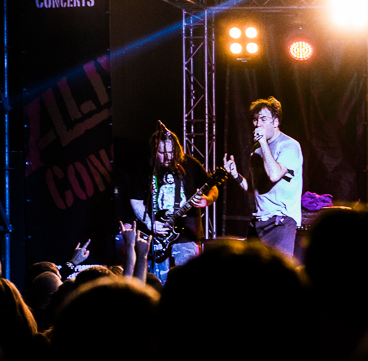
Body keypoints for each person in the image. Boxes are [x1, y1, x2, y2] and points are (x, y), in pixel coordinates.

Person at [130, 126, 218, 283]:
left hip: (187, 236)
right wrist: (150, 223)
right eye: (162, 153)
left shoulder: (190, 164)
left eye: (171, 152)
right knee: (157, 282)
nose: (168, 157)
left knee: (187, 282)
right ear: (154, 151)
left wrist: (208, 199)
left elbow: (213, 186)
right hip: (157, 238)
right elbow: (135, 199)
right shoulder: (146, 168)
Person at [224, 96, 303, 257]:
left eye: (263, 119)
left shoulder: (289, 145)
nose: (258, 124)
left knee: (277, 270)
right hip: (258, 222)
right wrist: (235, 175)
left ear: (276, 122)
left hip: (280, 222)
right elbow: (254, 189)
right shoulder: (257, 149)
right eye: (255, 119)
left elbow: (274, 175)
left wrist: (263, 143)